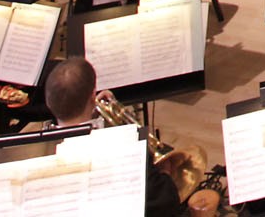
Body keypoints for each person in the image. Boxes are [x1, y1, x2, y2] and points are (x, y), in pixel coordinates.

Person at [42, 57, 192, 217]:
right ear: (93, 97)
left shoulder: (36, 151)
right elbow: (165, 203)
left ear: (49, 103)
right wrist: (165, 173)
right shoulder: (126, 144)